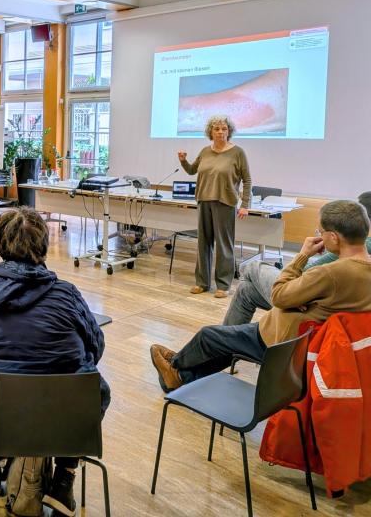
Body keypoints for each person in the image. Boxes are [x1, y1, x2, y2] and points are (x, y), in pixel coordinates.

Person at [0, 207, 109, 516]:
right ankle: (64, 478)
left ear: (0, 245)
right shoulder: (68, 295)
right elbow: (96, 346)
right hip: (63, 423)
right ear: (43, 247)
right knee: (86, 381)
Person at [150, 200, 371, 392]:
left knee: (208, 336)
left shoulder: (330, 273)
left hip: (282, 343)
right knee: (245, 293)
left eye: (320, 232)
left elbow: (279, 296)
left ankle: (175, 366)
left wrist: (302, 255)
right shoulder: (362, 267)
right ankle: (180, 378)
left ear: (333, 237)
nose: (318, 235)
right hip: (305, 334)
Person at [222, 191, 371, 326]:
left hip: (307, 314)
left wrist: (303, 255)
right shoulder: (361, 250)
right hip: (325, 309)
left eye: (320, 232)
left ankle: (229, 343)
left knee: (251, 267)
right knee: (246, 290)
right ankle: (227, 341)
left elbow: (306, 274)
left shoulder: (345, 255)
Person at [178, 115, 252, 298]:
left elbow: (247, 179)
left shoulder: (238, 152)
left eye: (224, 129)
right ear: (210, 132)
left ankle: (223, 285)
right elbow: (191, 171)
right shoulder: (205, 151)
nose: (220, 132)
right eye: (216, 129)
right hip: (204, 200)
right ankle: (202, 282)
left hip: (225, 202)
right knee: (204, 243)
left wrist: (245, 204)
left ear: (229, 131)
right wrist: (183, 161)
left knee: (224, 245)